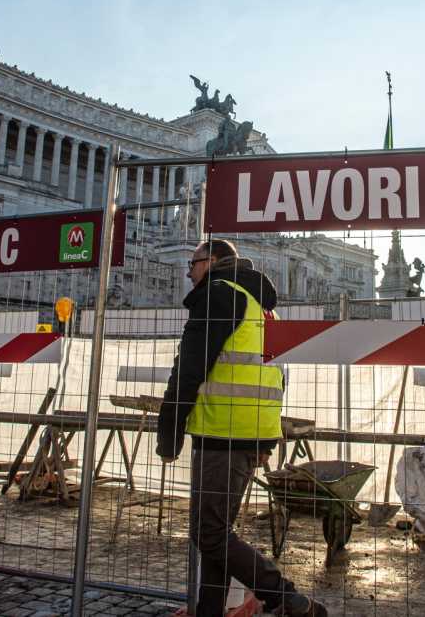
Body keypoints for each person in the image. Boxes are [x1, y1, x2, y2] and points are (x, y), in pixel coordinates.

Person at [156, 239, 326, 617]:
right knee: (217, 531)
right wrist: (265, 439)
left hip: (223, 428)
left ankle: (286, 598)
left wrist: (169, 429)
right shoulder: (262, 307)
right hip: (250, 430)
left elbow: (190, 368)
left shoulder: (219, 295)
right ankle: (210, 611)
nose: (189, 272)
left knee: (208, 532)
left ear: (213, 261)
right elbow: (277, 375)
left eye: (193, 263)